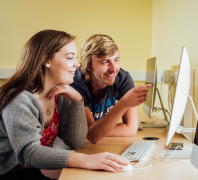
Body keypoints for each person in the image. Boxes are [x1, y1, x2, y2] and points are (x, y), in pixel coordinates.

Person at [0, 30, 130, 179]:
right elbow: (29, 153)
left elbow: (75, 140)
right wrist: (86, 160)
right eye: (70, 58)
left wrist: (77, 101)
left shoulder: (61, 95)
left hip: (32, 170)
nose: (77, 64)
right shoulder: (19, 100)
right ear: (46, 61)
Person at [70, 34, 151, 144]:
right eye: (105, 62)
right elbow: (93, 136)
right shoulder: (75, 82)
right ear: (88, 65)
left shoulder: (123, 78)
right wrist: (124, 103)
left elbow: (131, 129)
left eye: (116, 60)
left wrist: (96, 130)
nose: (114, 69)